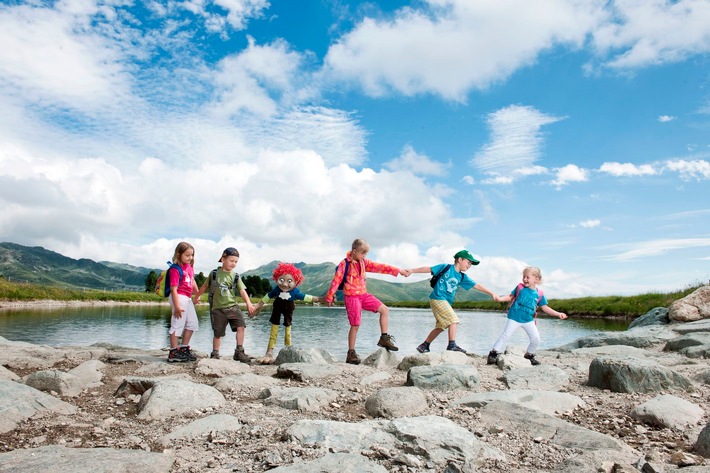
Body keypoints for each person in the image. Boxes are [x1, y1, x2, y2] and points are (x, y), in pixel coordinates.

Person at [325, 238, 411, 364]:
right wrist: (329, 296)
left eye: (365, 254)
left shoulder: (363, 262)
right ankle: (351, 353)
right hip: (351, 297)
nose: (364, 256)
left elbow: (381, 267)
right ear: (354, 251)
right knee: (355, 324)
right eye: (362, 253)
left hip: (363, 295)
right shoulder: (345, 264)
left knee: (384, 310)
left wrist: (399, 271)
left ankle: (384, 338)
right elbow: (336, 280)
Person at [408, 250, 498, 354]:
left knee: (441, 326)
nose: (470, 265)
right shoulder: (445, 267)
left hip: (445, 302)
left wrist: (491, 293)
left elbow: (476, 285)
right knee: (453, 320)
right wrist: (411, 270)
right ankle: (451, 345)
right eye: (468, 262)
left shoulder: (462, 276)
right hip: (437, 298)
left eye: (471, 264)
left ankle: (424, 345)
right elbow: (428, 269)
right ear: (460, 259)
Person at [487, 266, 567, 366]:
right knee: (506, 335)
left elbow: (545, 307)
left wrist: (558, 314)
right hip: (514, 317)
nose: (524, 279)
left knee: (536, 338)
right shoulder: (520, 288)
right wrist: (500, 299)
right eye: (524, 277)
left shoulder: (539, 294)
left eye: (527, 277)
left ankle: (529, 355)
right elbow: (510, 296)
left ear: (536, 279)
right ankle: (493, 353)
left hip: (528, 320)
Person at [193, 247, 256, 363]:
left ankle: (239, 352)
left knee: (241, 326)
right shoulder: (214, 274)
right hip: (217, 309)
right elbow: (204, 287)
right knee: (218, 333)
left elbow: (242, 291)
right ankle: (215, 353)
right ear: (223, 259)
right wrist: (196, 296)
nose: (234, 264)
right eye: (231, 261)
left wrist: (249, 303)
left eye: (236, 262)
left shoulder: (236, 276)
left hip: (233, 307)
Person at [252, 262, 321, 364]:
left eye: (289, 281)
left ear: (296, 281)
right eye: (281, 280)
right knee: (274, 328)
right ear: (277, 278)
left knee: (288, 328)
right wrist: (258, 306)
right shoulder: (276, 289)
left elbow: (307, 297)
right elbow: (268, 296)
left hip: (289, 308)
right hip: (277, 307)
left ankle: (288, 349)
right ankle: (269, 352)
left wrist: (321, 299)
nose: (284, 284)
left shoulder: (295, 292)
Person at [167, 242, 200, 363]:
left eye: (192, 255)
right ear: (179, 254)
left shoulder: (189, 267)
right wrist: (176, 306)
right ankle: (173, 352)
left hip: (187, 298)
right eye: (187, 255)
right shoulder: (175, 269)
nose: (190, 258)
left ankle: (183, 348)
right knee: (177, 324)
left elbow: (192, 281)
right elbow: (173, 289)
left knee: (192, 323)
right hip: (178, 297)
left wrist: (197, 294)